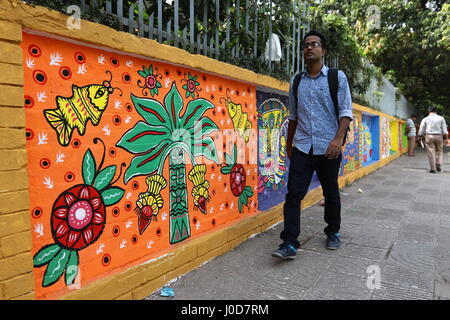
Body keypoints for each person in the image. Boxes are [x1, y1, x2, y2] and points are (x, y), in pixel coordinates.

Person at [272, 30, 353, 260]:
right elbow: (293, 116)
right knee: (293, 195)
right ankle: (289, 242)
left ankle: (333, 232)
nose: (309, 47)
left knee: (330, 192)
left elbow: (345, 111)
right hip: (303, 147)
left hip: (329, 147)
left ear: (323, 51)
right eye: (306, 45)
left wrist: (338, 139)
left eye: (315, 44)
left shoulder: (337, 77)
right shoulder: (297, 81)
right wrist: (289, 146)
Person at [418, 106, 448, 173]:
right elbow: (444, 130)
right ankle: (438, 163)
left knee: (431, 152)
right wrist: (446, 138)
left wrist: (420, 136)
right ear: (436, 111)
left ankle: (433, 169)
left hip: (429, 136)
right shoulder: (441, 118)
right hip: (439, 136)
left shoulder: (425, 119)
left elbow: (421, 129)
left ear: (428, 111)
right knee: (439, 151)